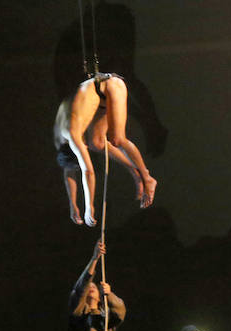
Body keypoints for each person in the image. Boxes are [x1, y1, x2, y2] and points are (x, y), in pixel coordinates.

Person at [54, 72, 158, 226]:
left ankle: (147, 177)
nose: (85, 147)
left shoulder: (72, 134)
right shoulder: (59, 140)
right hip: (98, 95)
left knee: (118, 139)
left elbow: (88, 171)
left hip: (110, 85)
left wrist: (89, 207)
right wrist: (73, 204)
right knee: (96, 144)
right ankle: (135, 172)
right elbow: (68, 171)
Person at [65, 240, 126, 331]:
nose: (91, 287)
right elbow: (80, 288)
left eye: (95, 287)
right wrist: (94, 259)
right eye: (89, 287)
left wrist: (109, 294)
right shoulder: (79, 314)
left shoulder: (107, 318)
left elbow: (120, 312)